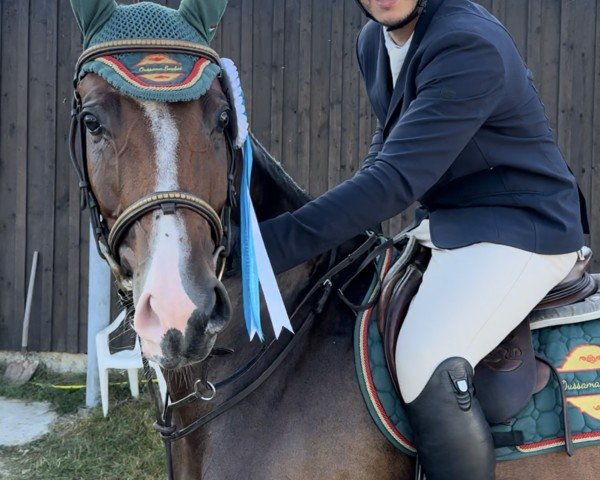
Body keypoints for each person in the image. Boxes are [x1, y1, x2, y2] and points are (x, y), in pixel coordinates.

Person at [260, 1, 588, 479]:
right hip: (452, 225)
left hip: (523, 229)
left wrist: (265, 249)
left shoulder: (467, 42)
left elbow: (393, 180)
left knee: (423, 356)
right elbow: (390, 147)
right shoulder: (374, 41)